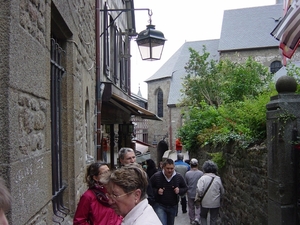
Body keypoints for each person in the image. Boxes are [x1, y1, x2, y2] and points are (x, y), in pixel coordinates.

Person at [150, 158, 188, 225]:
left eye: (171, 168)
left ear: (174, 168)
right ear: (163, 167)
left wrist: (179, 190)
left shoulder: (178, 177)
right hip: (160, 205)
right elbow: (148, 187)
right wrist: (157, 191)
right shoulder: (157, 176)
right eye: (167, 168)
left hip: (173, 206)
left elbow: (185, 188)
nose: (170, 170)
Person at [196, 160, 225, 225]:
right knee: (213, 218)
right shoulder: (218, 178)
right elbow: (222, 191)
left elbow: (199, 190)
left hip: (204, 202)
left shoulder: (202, 178)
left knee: (203, 216)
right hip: (215, 202)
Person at [185, 158, 203, 225]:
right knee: (198, 206)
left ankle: (192, 220)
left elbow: (186, 183)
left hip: (190, 192)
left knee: (191, 207)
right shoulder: (201, 173)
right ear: (197, 164)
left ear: (190, 165)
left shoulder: (187, 174)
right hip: (198, 193)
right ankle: (197, 218)